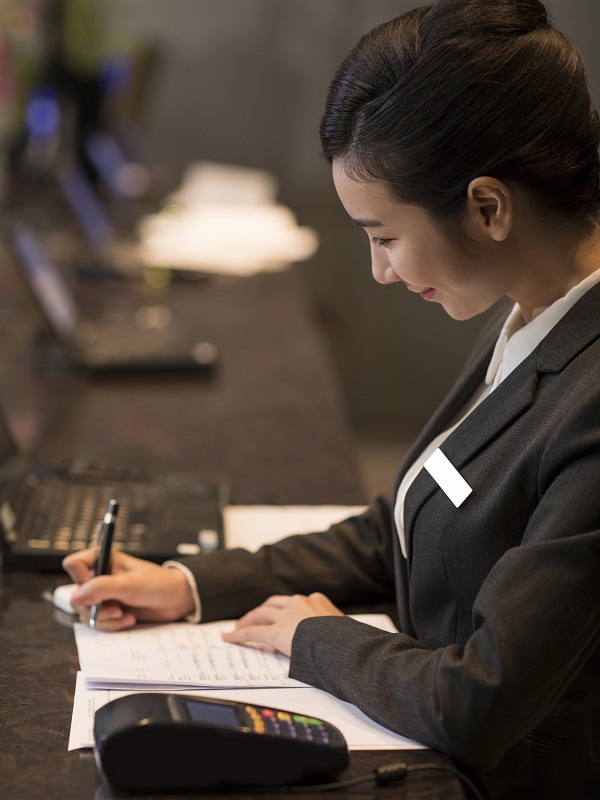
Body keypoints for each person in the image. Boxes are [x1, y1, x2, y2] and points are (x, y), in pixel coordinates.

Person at [63, 1, 600, 797]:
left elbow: (475, 701)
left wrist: (317, 638)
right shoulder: (530, 311)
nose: (380, 270)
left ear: (488, 207)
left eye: (384, 236)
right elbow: (403, 531)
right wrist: (193, 584)